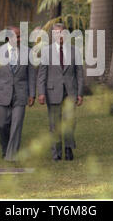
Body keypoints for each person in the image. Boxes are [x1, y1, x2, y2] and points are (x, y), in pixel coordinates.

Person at [37, 23, 84, 161]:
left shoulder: (75, 51)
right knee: (54, 124)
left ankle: (68, 149)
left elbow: (79, 74)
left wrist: (80, 93)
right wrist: (41, 92)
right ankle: (56, 153)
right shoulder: (46, 51)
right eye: (56, 34)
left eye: (62, 33)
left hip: (71, 92)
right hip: (53, 92)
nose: (60, 36)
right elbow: (42, 74)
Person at [0, 26, 36, 161]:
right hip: (2, 93)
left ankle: (11, 156)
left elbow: (31, 74)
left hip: (21, 94)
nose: (20, 39)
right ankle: (6, 150)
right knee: (2, 124)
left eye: (21, 36)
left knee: (16, 124)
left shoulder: (28, 52)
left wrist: (32, 94)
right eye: (17, 36)